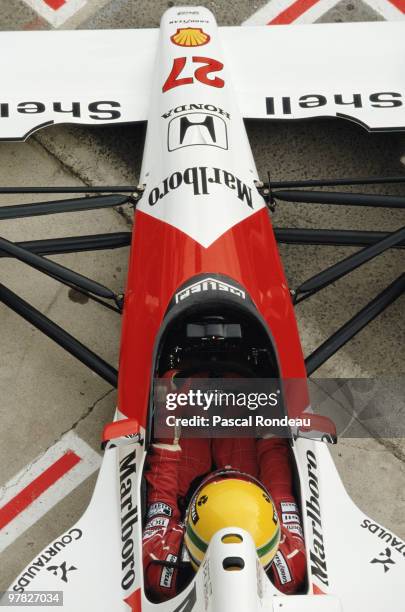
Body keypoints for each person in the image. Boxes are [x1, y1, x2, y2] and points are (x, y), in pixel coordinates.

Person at [142, 372, 306, 602]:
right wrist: (271, 423)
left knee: (185, 418)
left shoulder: (160, 565)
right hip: (246, 478)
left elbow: (162, 496)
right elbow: (278, 486)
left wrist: (165, 424)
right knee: (244, 414)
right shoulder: (292, 562)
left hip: (190, 489)